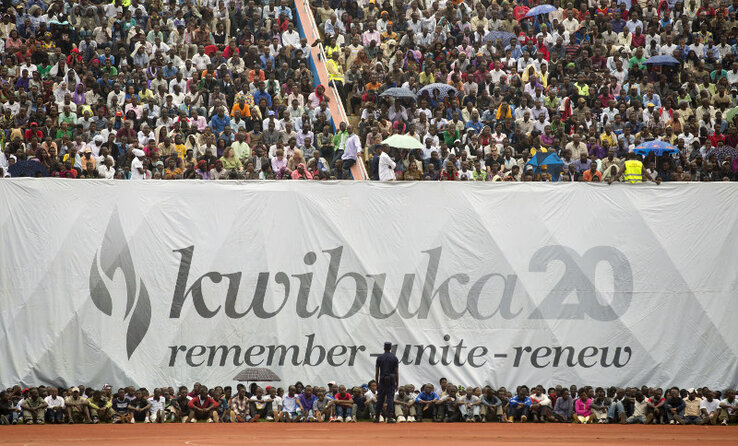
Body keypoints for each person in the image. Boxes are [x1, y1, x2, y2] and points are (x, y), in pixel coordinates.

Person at [374, 341, 399, 423]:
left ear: (384, 347)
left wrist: (377, 383)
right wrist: (397, 383)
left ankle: (377, 417)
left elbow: (377, 372)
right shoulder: (394, 358)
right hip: (391, 381)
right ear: (390, 348)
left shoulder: (380, 358)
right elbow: (396, 372)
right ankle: (390, 418)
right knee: (390, 399)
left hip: (382, 381)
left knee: (380, 399)